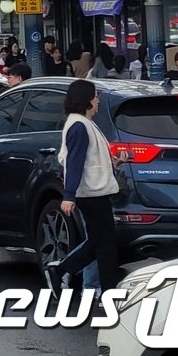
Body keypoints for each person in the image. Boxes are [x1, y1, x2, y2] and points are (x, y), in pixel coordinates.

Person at [45, 80, 120, 293]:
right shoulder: (79, 125)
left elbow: (84, 158)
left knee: (99, 242)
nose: (98, 101)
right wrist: (69, 195)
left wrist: (114, 162)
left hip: (92, 190)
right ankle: (107, 291)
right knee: (105, 244)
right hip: (92, 192)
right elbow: (74, 161)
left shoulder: (82, 123)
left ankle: (60, 271)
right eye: (95, 96)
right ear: (86, 99)